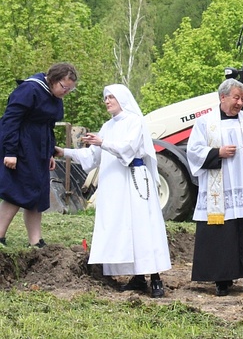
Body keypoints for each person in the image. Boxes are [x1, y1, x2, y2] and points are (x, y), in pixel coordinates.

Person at [55, 84, 171, 298]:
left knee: (142, 227)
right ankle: (137, 277)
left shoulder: (135, 122)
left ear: (122, 99)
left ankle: (155, 277)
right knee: (122, 228)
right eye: (105, 98)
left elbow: (127, 148)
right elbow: (92, 157)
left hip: (134, 181)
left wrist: (102, 141)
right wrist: (64, 152)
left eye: (111, 97)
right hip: (115, 186)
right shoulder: (107, 126)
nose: (107, 101)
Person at [186, 78, 243, 296]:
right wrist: (218, 153)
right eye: (236, 97)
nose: (240, 103)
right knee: (221, 233)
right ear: (222, 97)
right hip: (220, 189)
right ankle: (222, 280)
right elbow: (193, 151)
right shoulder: (206, 123)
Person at [0, 62, 78, 248]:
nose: (66, 92)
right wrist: (10, 152)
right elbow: (10, 121)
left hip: (39, 151)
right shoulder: (29, 89)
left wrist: (50, 153)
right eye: (64, 87)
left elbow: (48, 126)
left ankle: (35, 241)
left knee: (38, 194)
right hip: (21, 147)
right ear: (53, 79)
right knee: (18, 192)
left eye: (70, 90)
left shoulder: (54, 96)